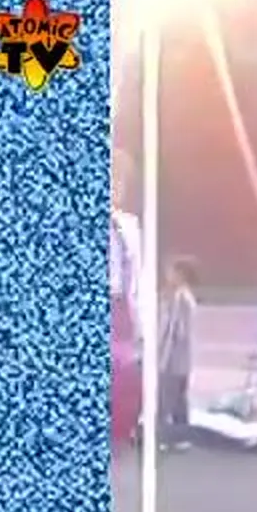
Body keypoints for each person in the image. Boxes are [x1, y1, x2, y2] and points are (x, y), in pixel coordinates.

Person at [111, 149, 145, 456]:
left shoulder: (129, 225)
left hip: (120, 302)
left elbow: (137, 272)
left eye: (120, 181)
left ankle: (121, 427)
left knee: (124, 366)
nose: (115, 187)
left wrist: (140, 319)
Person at [157, 255, 199, 448]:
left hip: (173, 358)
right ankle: (181, 437)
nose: (168, 275)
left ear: (181, 275)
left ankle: (166, 437)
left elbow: (176, 330)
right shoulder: (180, 297)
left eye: (172, 272)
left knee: (168, 398)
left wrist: (161, 356)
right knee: (179, 399)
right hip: (181, 359)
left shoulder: (180, 299)